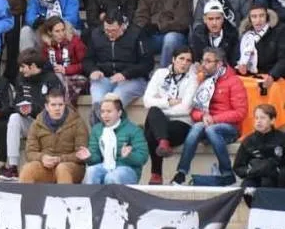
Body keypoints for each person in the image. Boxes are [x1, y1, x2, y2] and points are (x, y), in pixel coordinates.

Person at [172, 47, 247, 186]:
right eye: (203, 61)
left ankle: (227, 173)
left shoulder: (234, 81)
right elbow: (194, 111)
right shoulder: (204, 81)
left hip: (229, 128)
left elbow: (240, 112)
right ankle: (181, 173)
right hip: (208, 124)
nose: (203, 65)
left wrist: (215, 119)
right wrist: (203, 115)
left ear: (219, 64)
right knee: (196, 128)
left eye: (208, 61)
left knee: (211, 129)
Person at [2, 48, 64, 179]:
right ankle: (13, 167)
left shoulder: (52, 79)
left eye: (23, 67)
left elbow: (57, 108)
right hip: (30, 122)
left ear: (33, 66)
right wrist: (21, 109)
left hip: (48, 125)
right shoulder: (20, 79)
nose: (20, 70)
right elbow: (16, 102)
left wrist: (33, 109)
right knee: (14, 118)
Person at [142, 47, 198, 185]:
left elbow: (185, 109)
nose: (184, 63)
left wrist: (161, 109)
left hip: (181, 124)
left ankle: (156, 174)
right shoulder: (160, 74)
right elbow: (147, 101)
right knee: (154, 111)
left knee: (152, 128)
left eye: (188, 60)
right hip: (160, 122)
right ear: (173, 59)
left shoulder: (193, 79)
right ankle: (163, 143)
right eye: (181, 59)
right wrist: (168, 102)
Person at [84, 13, 153, 124]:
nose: (109, 34)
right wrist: (92, 70)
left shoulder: (137, 33)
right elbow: (88, 60)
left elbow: (147, 64)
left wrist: (125, 74)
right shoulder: (96, 34)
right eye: (107, 30)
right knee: (98, 103)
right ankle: (99, 136)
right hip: (104, 78)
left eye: (113, 31)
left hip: (131, 79)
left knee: (113, 102)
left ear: (122, 26)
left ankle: (113, 136)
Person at [18, 89, 88, 184]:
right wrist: (42, 158)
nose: (57, 108)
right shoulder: (37, 124)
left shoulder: (78, 123)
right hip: (46, 166)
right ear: (47, 106)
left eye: (60, 105)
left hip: (71, 167)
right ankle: (27, 198)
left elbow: (81, 154)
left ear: (65, 105)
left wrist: (60, 159)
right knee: (28, 169)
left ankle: (64, 198)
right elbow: (30, 152)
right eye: (53, 105)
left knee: (62, 168)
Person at [134, 0, 192, 67]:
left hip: (176, 35)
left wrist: (159, 26)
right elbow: (140, 16)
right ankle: (142, 74)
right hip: (153, 35)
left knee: (170, 39)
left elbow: (183, 21)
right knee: (136, 38)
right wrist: (144, 27)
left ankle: (163, 74)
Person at [80, 93, 148, 185]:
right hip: (104, 166)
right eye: (102, 111)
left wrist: (129, 156)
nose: (105, 115)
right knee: (91, 172)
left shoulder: (134, 130)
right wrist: (89, 157)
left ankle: (114, 200)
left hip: (127, 169)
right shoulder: (97, 129)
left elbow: (142, 158)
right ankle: (92, 199)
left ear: (119, 113)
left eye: (109, 111)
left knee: (111, 177)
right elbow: (95, 159)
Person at [233, 104, 285, 197]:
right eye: (256, 118)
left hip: (277, 180)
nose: (258, 121)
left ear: (272, 120)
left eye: (263, 118)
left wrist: (276, 170)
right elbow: (238, 167)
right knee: (246, 188)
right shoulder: (248, 141)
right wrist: (250, 171)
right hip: (256, 177)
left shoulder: (282, 139)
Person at [39, 16, 88, 106]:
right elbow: (44, 65)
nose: (61, 34)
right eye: (57, 31)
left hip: (76, 77)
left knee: (62, 83)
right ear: (50, 32)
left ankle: (65, 108)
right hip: (55, 78)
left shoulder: (75, 41)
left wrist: (66, 70)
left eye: (63, 30)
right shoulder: (46, 46)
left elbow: (85, 64)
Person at [236, 5, 285, 82]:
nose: (258, 20)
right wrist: (241, 68)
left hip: (275, 78)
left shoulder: (280, 31)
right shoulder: (245, 36)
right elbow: (236, 59)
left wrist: (272, 75)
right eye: (254, 17)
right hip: (252, 78)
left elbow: (283, 59)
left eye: (261, 16)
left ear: (267, 17)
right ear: (250, 19)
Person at [190, 0, 240, 67]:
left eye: (218, 18)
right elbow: (197, 60)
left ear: (223, 18)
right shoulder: (197, 34)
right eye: (210, 19)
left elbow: (233, 61)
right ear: (204, 19)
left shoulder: (232, 34)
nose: (214, 23)